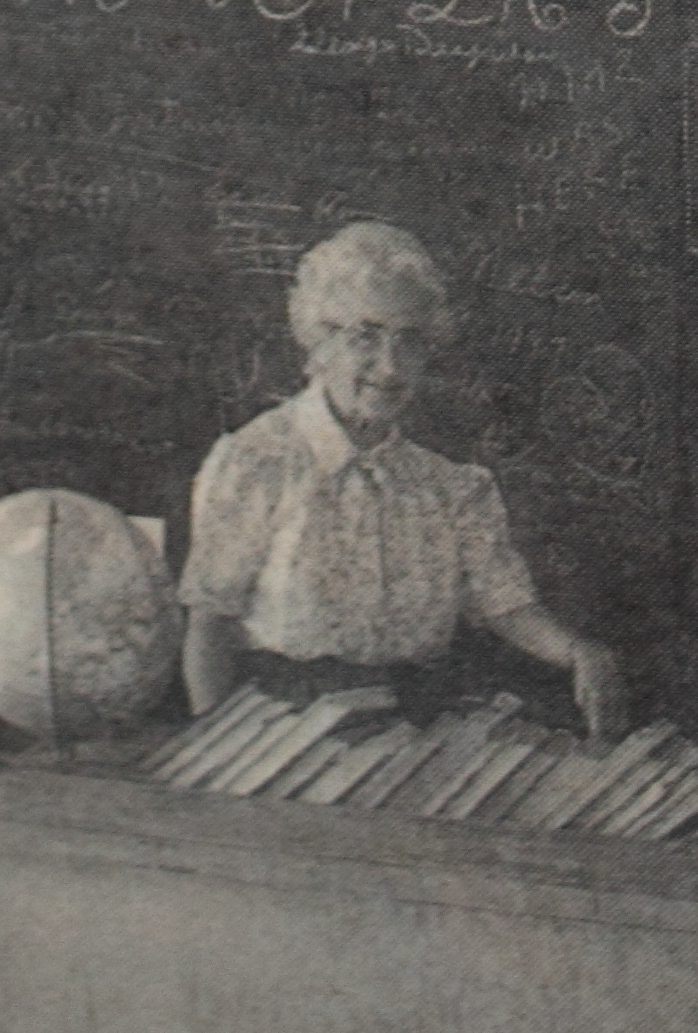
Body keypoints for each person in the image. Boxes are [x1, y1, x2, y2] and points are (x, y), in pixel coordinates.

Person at [180, 219, 626, 742]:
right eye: (365, 337)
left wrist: (579, 653)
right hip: (280, 740)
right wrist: (209, 756)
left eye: (409, 342)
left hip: (415, 735)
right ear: (318, 342)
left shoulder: (450, 488)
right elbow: (208, 627)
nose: (390, 369)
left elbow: (505, 604)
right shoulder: (259, 461)